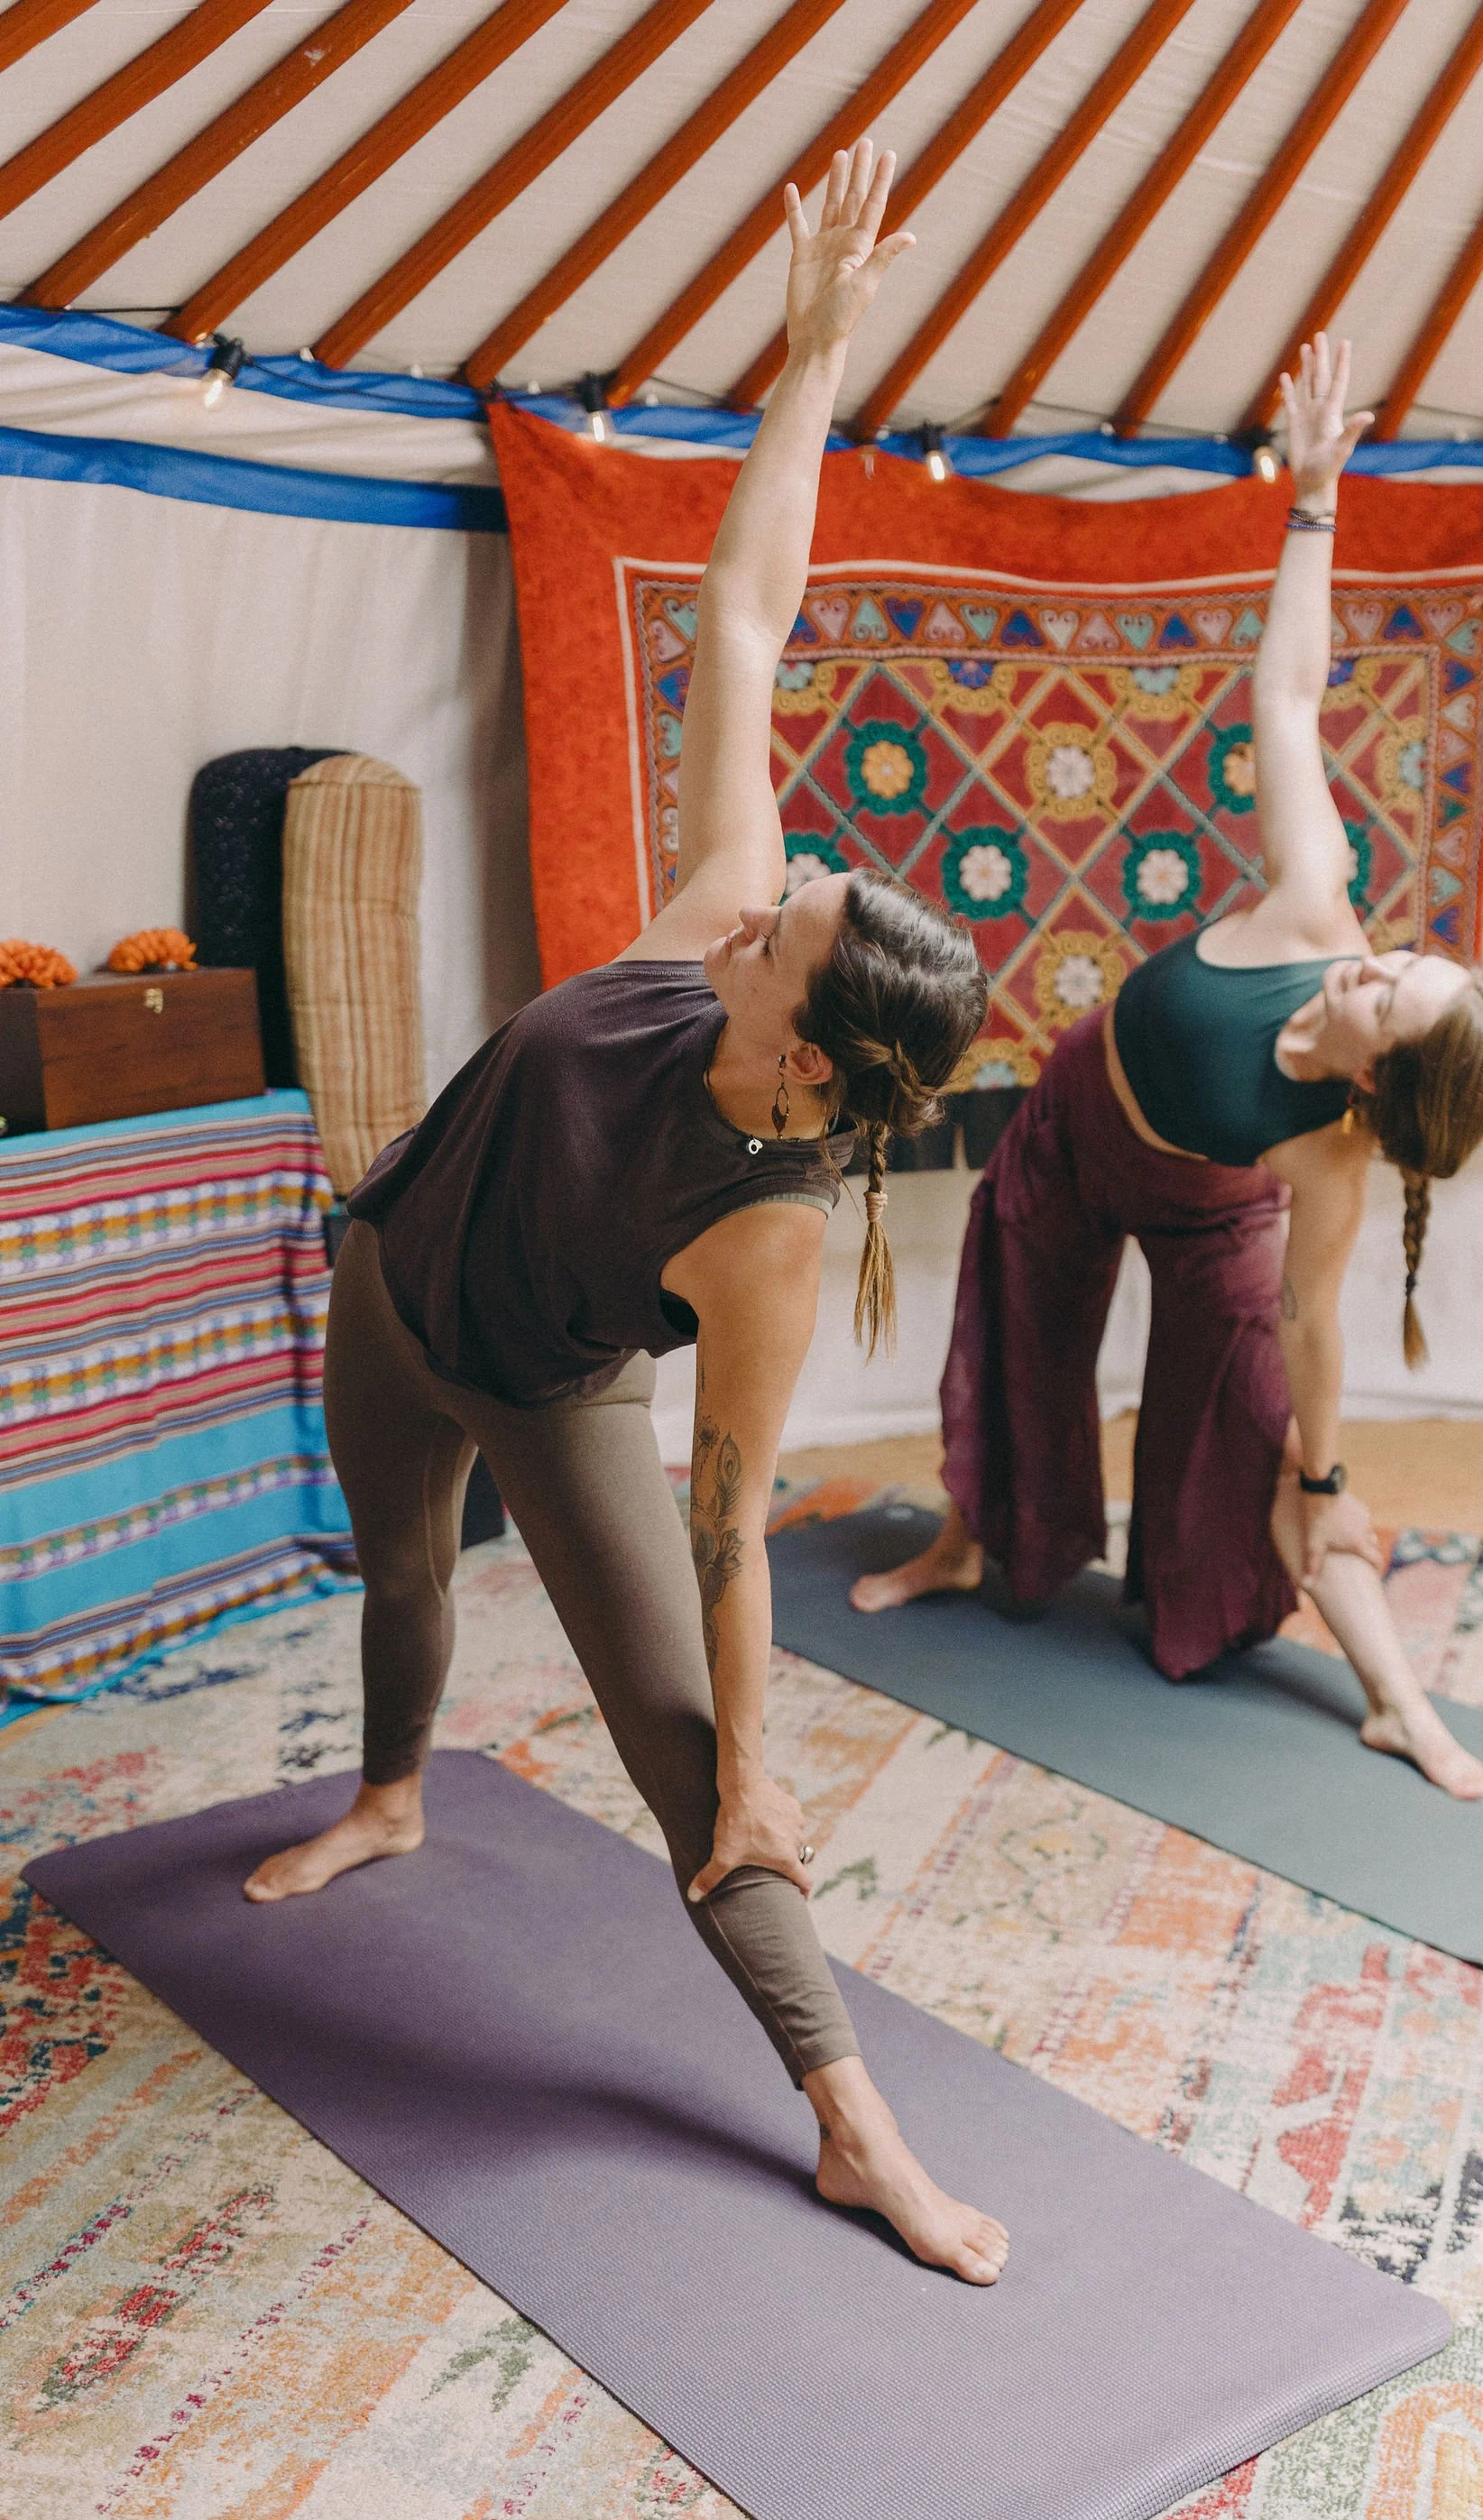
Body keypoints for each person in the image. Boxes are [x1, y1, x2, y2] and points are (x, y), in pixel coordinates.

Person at [244, 144, 1008, 2286]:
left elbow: (724, 1522)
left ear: (816, 1051)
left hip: (552, 1387)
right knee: (392, 1565)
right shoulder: (702, 934)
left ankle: (852, 2125)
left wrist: (755, 1761)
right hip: (393, 1278)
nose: (768, 890)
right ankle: (392, 1791)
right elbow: (749, 614)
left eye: (799, 921)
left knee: (697, 1773)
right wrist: (815, 353)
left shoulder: (762, 1228)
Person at [855, 336, 1483, 1800]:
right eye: (1395, 956)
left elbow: (1312, 1323)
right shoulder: (1314, 901)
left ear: (1374, 1085)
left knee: (1235, 1429)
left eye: (1388, 997)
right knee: (1019, 1334)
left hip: (1205, 1203)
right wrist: (1312, 502)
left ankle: (1324, 1664)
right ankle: (975, 1542)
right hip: (1075, 1115)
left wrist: (1329, 1472)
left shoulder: (1330, 1160)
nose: (1366, 962)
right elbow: (1287, 700)